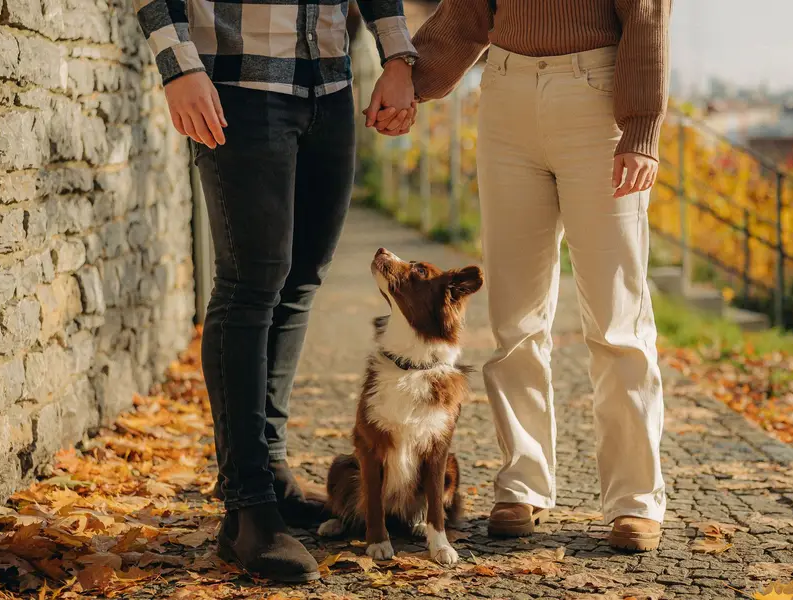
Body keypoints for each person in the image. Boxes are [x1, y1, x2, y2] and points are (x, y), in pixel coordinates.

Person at [133, 0, 418, 582]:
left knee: (299, 281)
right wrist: (179, 66)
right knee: (250, 284)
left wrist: (397, 58)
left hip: (330, 83)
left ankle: (273, 473)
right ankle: (246, 510)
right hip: (236, 83)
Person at [371, 0, 671, 552]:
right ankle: (524, 485)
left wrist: (642, 128)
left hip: (598, 96)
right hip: (506, 92)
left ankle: (635, 499)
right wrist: (410, 80)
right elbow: (466, 13)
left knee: (617, 321)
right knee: (515, 319)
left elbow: (647, 16)